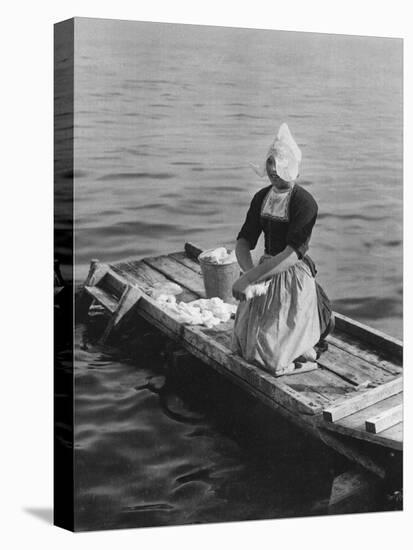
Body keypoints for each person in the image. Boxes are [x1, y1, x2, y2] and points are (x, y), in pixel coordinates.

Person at [231, 123, 334, 375]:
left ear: (292, 166)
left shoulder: (304, 202)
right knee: (243, 348)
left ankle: (312, 337)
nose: (272, 170)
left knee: (271, 359)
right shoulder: (261, 197)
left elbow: (291, 255)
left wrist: (250, 278)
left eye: (278, 164)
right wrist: (249, 275)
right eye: (269, 163)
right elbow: (244, 241)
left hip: (291, 274)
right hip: (264, 272)